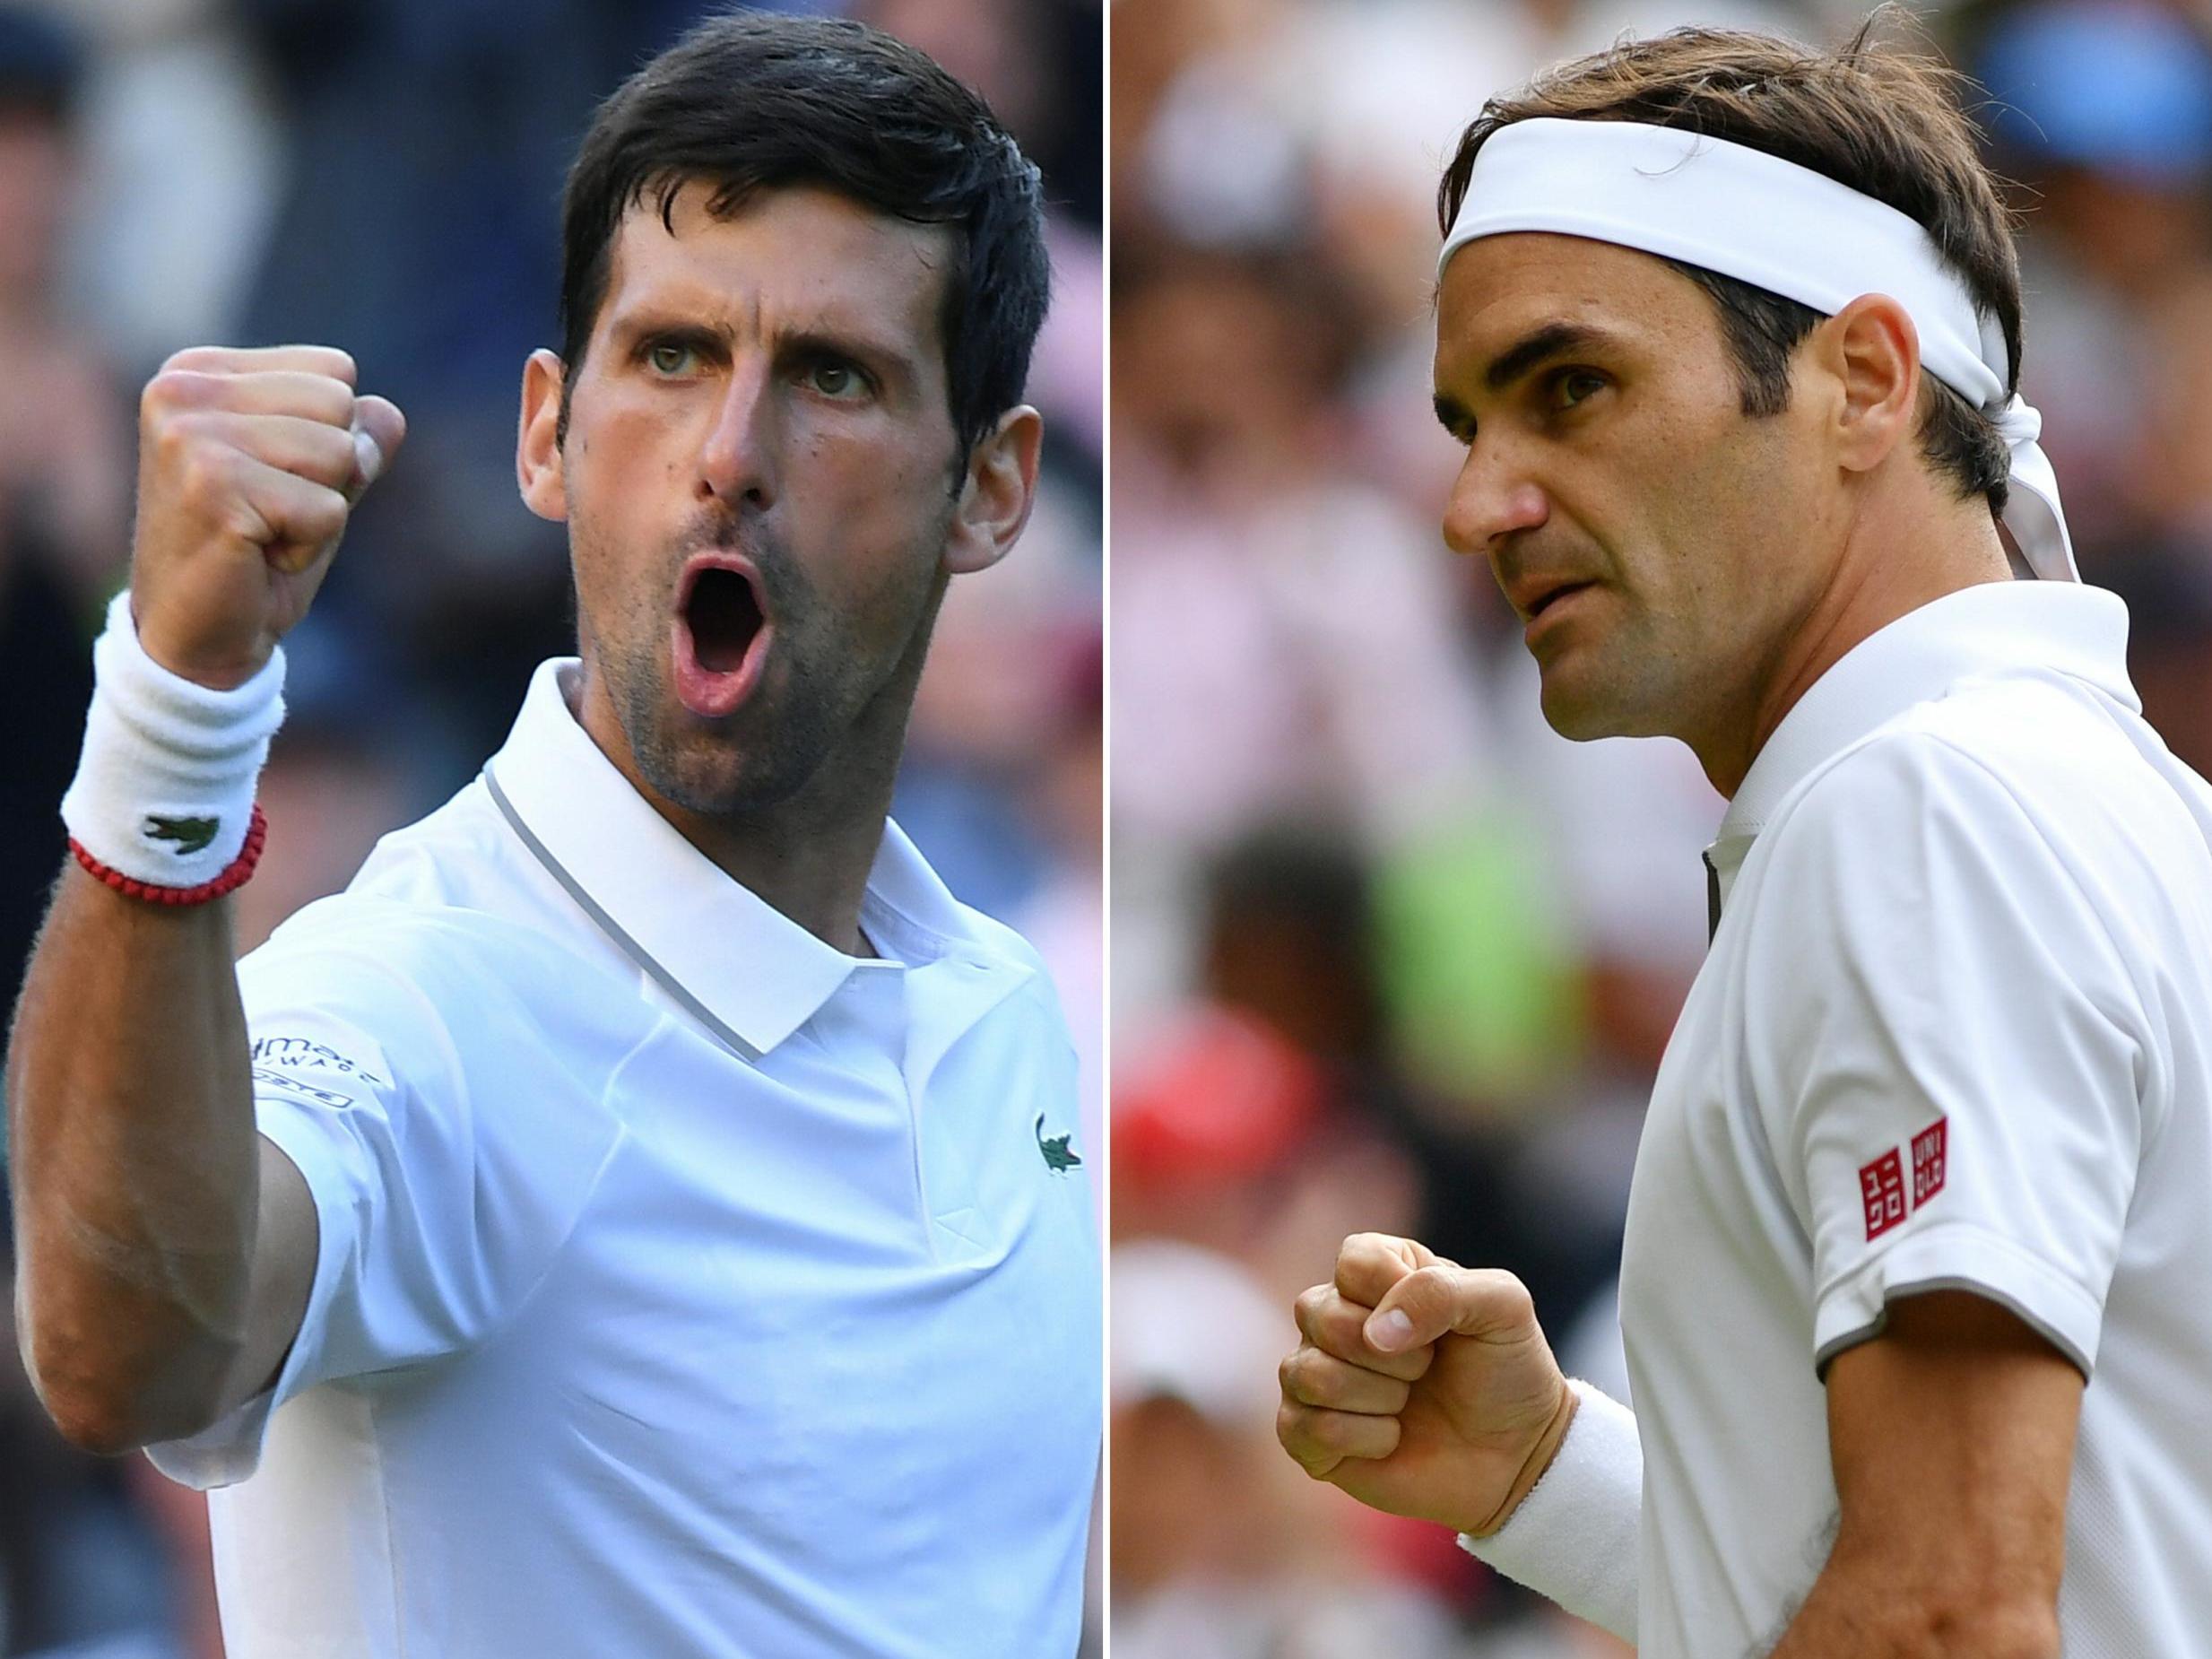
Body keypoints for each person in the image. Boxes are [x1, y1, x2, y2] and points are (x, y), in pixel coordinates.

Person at [6, 13, 1099, 1657]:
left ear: (991, 490)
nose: (730, 457)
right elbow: (118, 1346)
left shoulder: (1012, 1006)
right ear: (546, 433)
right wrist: (179, 700)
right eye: (669, 357)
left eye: (833, 376)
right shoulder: (416, 997)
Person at [1275, 24, 2212, 1658]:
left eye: (1572, 387)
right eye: (1468, 422)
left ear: (1864, 379)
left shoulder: (1925, 811)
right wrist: (1546, 1470)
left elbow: (1946, 1614)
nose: (1477, 500)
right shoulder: (2069, 787)